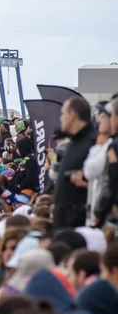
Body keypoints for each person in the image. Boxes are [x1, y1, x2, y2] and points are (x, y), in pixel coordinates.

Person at [55, 97, 97, 228]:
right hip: (64, 222)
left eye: (63, 113)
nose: (60, 118)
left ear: (73, 115)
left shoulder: (93, 142)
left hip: (79, 225)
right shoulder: (72, 142)